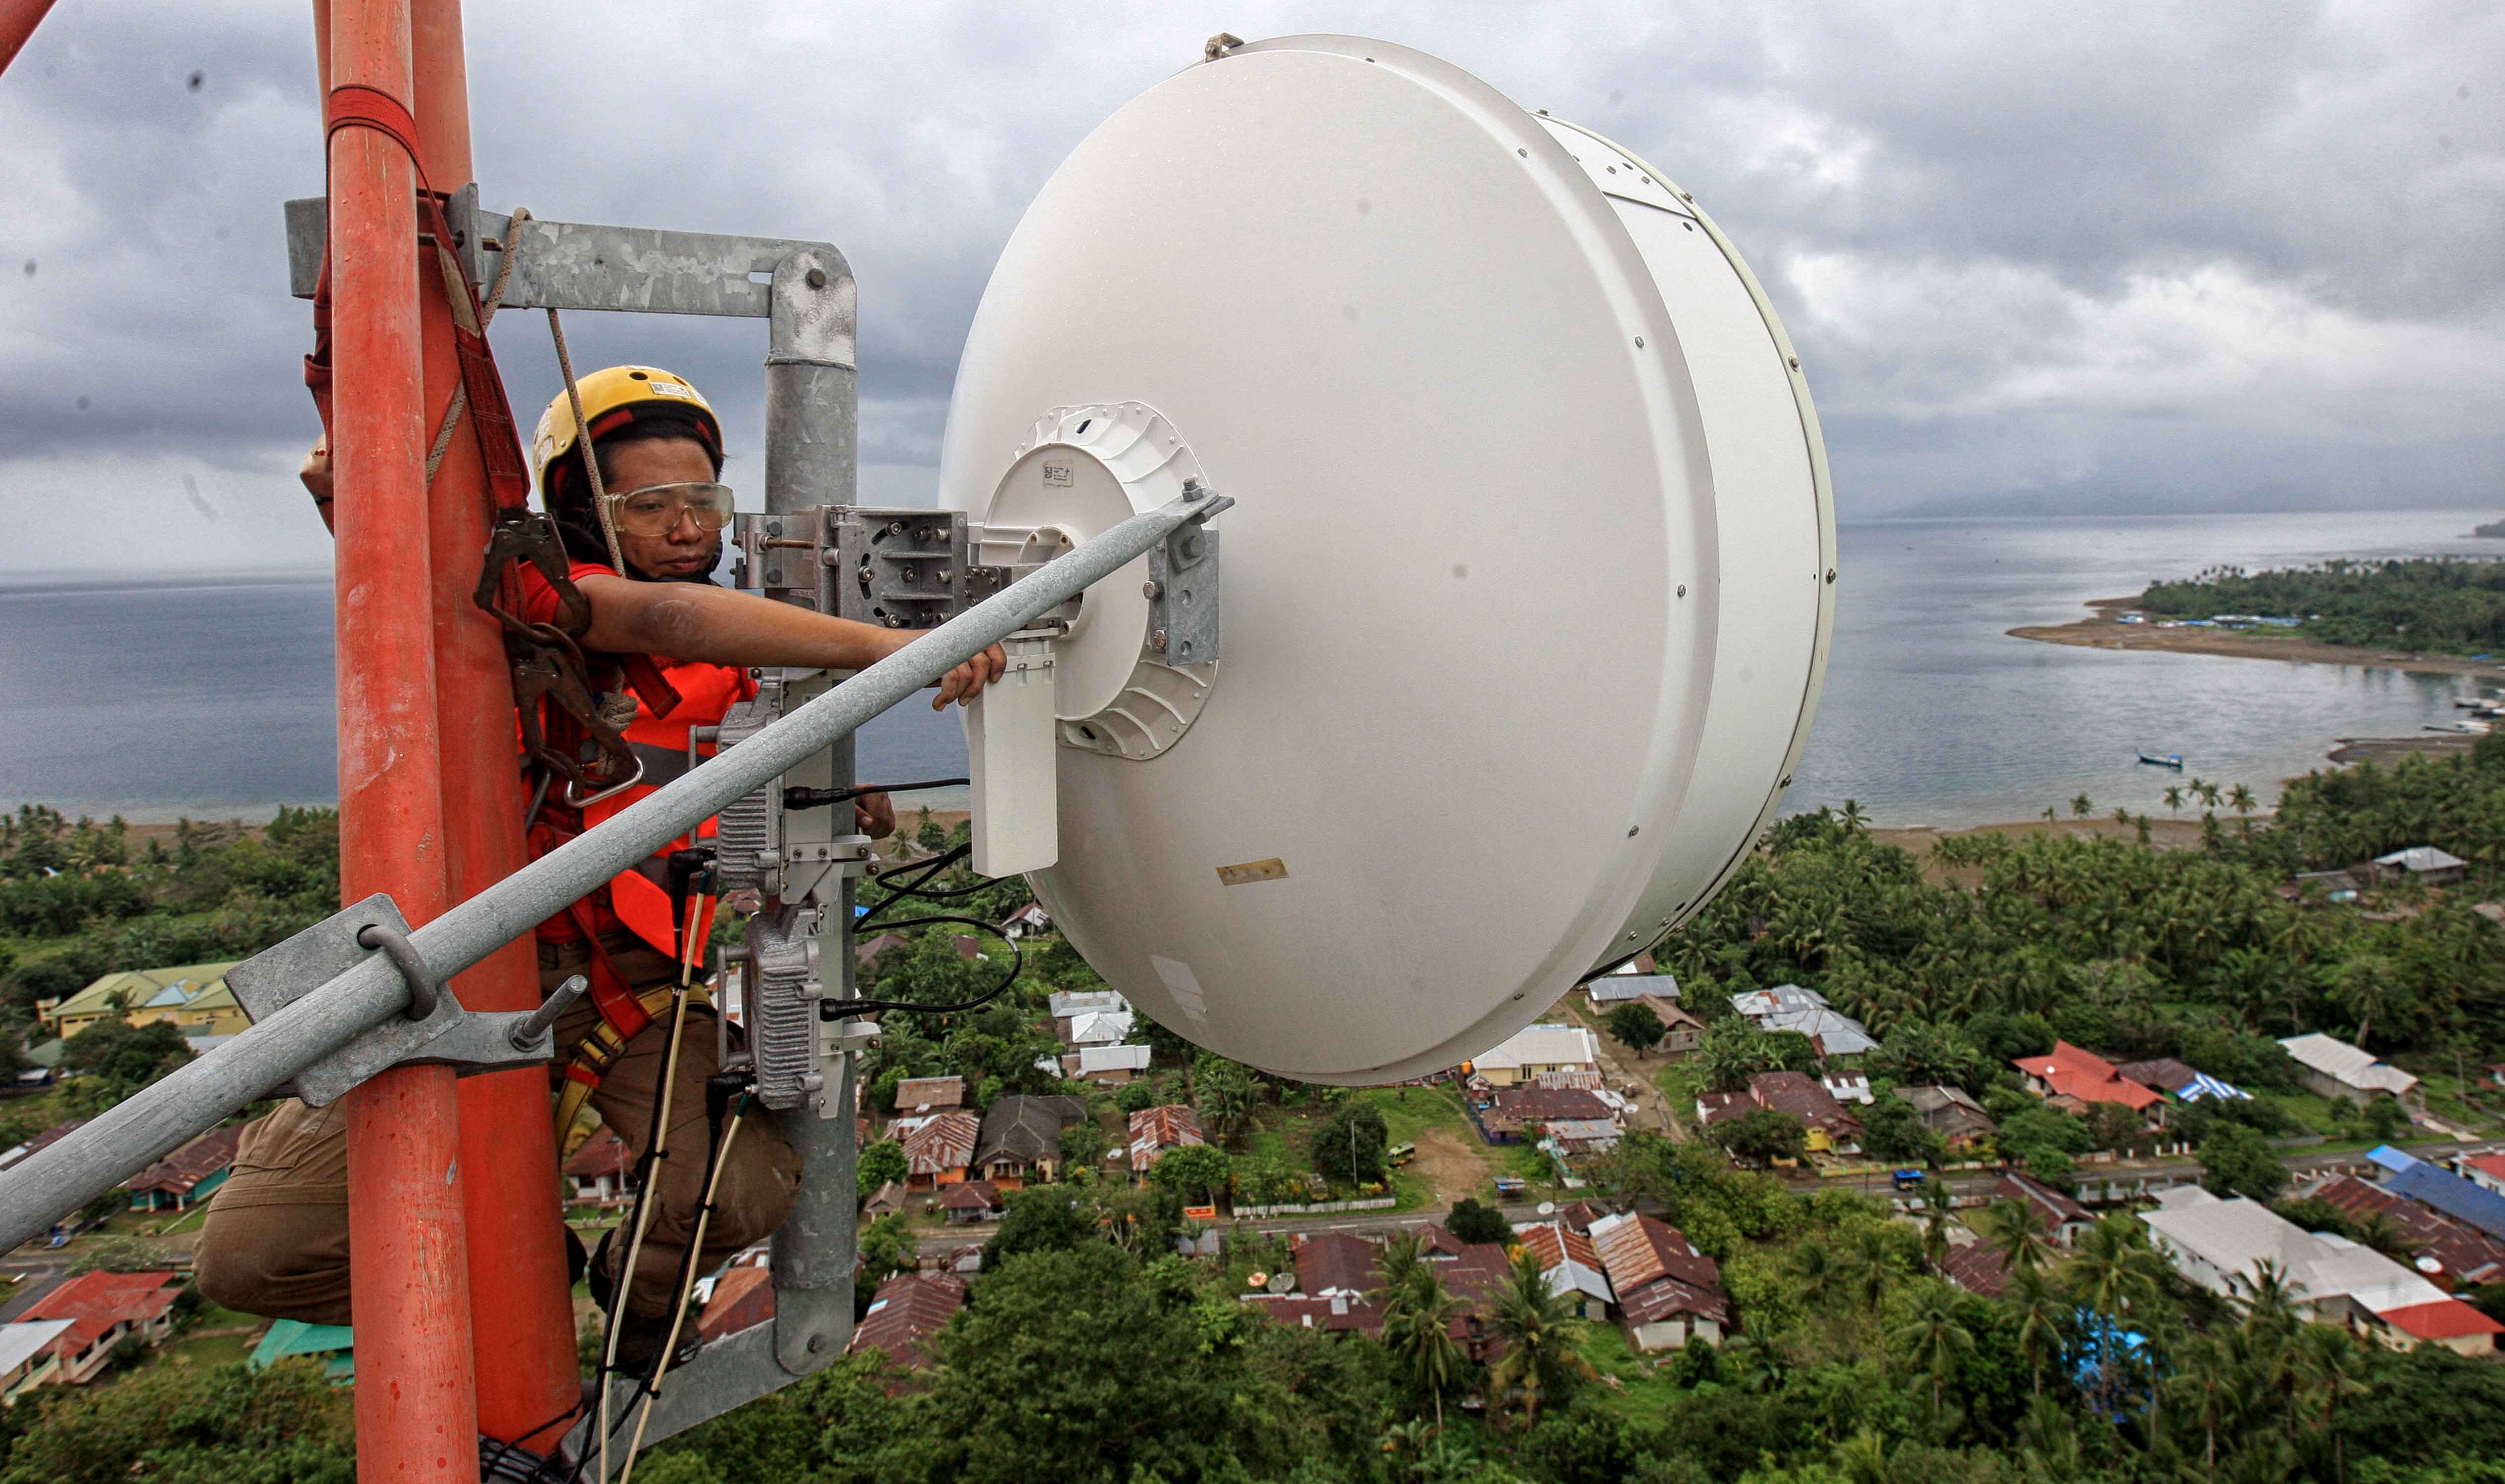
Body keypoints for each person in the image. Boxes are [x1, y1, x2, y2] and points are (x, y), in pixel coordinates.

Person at [195, 365, 1004, 1366]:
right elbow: (645, 618)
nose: (684, 529)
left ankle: (633, 1303)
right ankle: (520, 1267)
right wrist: (901, 648)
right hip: (468, 972)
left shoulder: (734, 652)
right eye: (647, 506)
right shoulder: (538, 611)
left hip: (635, 987)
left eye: (701, 502)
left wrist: (843, 787)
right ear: (583, 513)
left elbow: (723, 712)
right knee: (251, 1258)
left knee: (740, 1186)